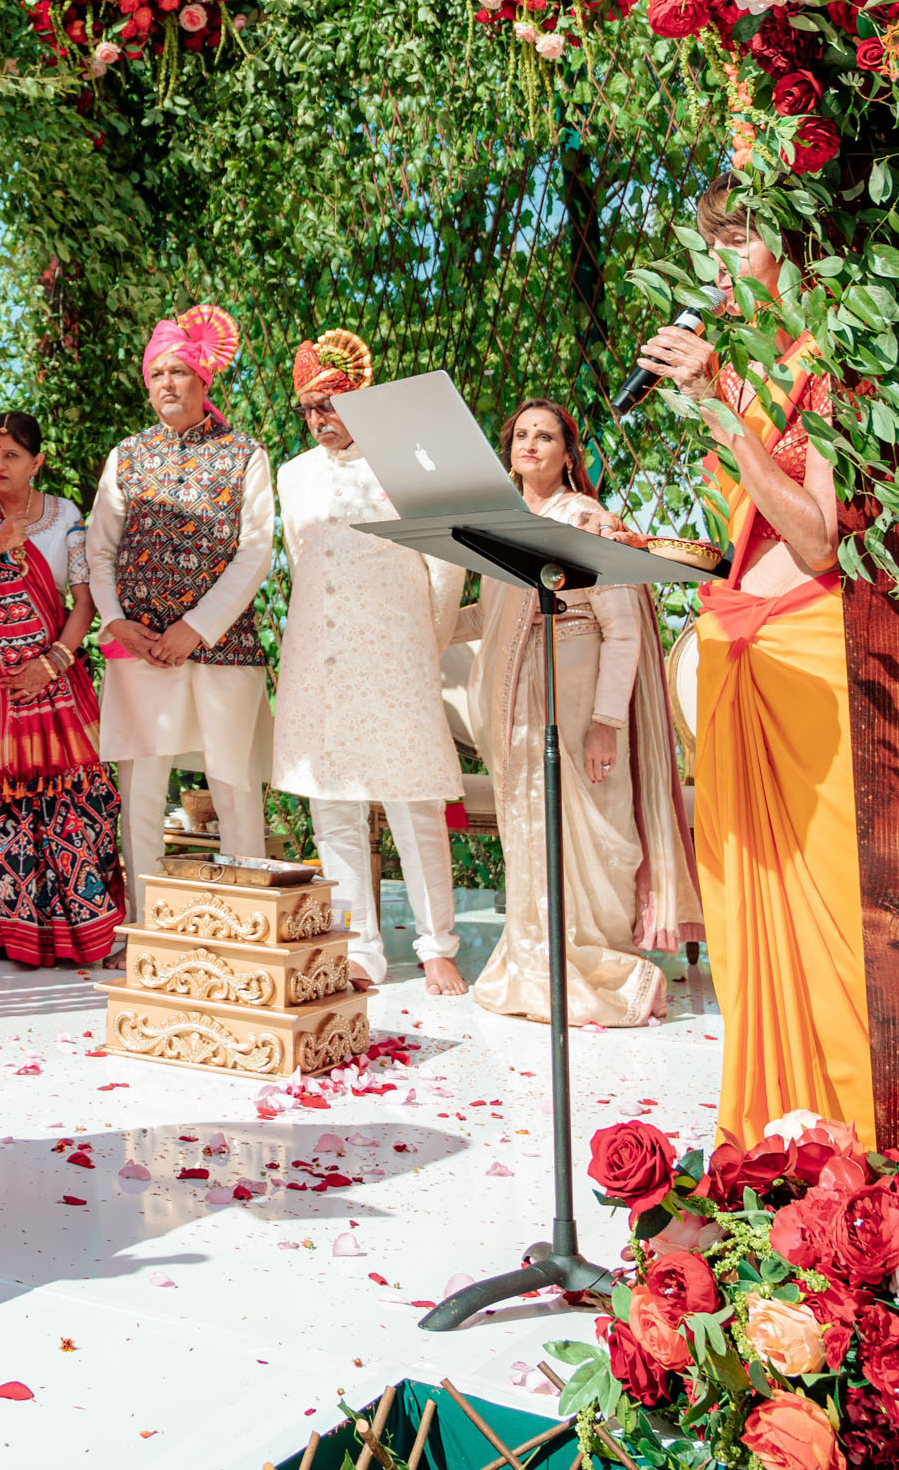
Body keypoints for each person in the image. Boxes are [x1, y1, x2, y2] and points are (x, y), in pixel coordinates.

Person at [635, 181, 869, 1141]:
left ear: (799, 251)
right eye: (715, 247)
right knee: (745, 904)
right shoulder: (766, 372)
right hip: (743, 636)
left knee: (832, 903)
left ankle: (856, 1121)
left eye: (741, 245)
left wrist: (719, 407)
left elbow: (817, 541)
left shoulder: (839, 365)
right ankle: (783, 1126)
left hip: (809, 646)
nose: (722, 268)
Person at [469, 396, 703, 1031]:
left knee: (593, 834)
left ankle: (606, 971)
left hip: (577, 706)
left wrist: (607, 723)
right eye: (521, 435)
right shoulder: (501, 526)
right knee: (530, 830)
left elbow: (622, 632)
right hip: (517, 708)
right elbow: (489, 620)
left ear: (569, 454)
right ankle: (535, 964)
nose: (531, 446)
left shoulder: (588, 520)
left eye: (545, 436)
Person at [270, 332, 468, 997]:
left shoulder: (408, 464)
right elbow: (303, 561)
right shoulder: (292, 475)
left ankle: (438, 944)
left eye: (332, 404)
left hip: (397, 651)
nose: (321, 419)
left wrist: (422, 647)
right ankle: (358, 947)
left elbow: (446, 571)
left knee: (413, 799)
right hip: (320, 654)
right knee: (334, 804)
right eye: (309, 409)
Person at [86, 305, 275, 918]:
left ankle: (246, 922)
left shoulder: (245, 454)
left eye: (179, 371)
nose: (167, 383)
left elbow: (255, 552)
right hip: (141, 648)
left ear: (204, 381)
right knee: (143, 788)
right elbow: (99, 549)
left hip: (223, 647)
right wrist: (116, 622)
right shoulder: (128, 455)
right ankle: (147, 922)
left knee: (235, 784)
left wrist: (195, 629)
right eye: (157, 373)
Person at [0, 410, 120, 969]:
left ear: (37, 462)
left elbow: (82, 600)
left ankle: (80, 926)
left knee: (76, 801)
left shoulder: (64, 516)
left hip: (54, 678)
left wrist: (53, 662)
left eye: (10, 455)